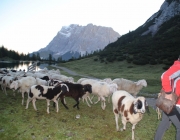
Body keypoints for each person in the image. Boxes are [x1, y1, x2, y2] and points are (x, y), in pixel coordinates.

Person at [154, 56, 180, 140]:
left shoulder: (175, 66)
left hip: (169, 104)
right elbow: (165, 76)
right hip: (174, 105)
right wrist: (168, 92)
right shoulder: (178, 67)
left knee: (164, 123)